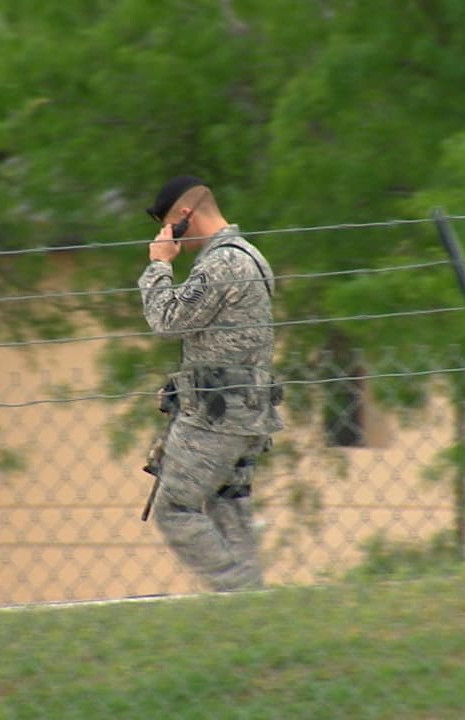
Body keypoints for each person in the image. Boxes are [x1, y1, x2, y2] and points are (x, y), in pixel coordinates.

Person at [137, 175, 284, 592]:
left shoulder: (222, 263)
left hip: (217, 415)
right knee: (227, 505)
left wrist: (160, 264)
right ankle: (250, 601)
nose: (165, 234)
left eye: (167, 225)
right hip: (246, 410)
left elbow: (166, 321)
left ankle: (236, 588)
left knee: (175, 509)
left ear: (184, 217)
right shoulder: (249, 255)